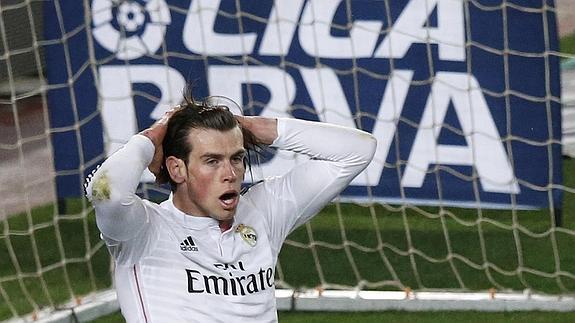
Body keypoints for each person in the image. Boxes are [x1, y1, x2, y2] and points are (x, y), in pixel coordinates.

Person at [85, 88, 377, 322]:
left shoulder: (263, 211)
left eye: (236, 158)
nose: (230, 174)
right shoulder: (143, 230)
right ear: (177, 170)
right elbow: (105, 191)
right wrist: (153, 136)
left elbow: (358, 151)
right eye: (212, 161)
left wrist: (250, 127)